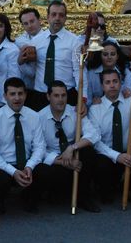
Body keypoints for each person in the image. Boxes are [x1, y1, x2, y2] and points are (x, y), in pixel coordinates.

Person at [30, 81, 100, 212]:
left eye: (63, 95)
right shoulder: (39, 118)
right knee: (41, 170)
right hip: (54, 160)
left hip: (72, 154)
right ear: (48, 97)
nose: (60, 100)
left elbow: (94, 135)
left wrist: (72, 148)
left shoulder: (75, 111)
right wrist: (62, 162)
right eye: (56, 96)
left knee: (89, 153)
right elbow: (38, 149)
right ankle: (44, 195)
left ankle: (83, 197)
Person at [0, 77, 45, 213]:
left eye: (20, 93)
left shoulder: (34, 116)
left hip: (26, 163)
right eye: (12, 94)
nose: (17, 98)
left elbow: (39, 146)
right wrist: (12, 171)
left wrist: (30, 166)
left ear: (25, 94)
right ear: (5, 96)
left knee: (44, 171)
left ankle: (29, 197)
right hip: (5, 165)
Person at [89, 70, 131, 203]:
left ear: (121, 83)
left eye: (115, 81)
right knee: (100, 165)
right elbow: (96, 142)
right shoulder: (95, 109)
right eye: (108, 82)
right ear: (102, 86)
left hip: (129, 149)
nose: (112, 85)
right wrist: (117, 156)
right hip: (107, 152)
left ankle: (129, 188)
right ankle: (106, 190)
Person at [28, 1, 84, 111]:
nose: (57, 18)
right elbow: (30, 70)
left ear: (65, 18)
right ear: (48, 17)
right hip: (41, 95)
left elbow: (78, 71)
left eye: (61, 15)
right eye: (54, 14)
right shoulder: (36, 41)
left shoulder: (74, 41)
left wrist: (82, 98)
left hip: (66, 95)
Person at [86, 40, 131, 105]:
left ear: (117, 57)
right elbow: (88, 99)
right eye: (105, 54)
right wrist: (92, 103)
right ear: (100, 56)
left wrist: (127, 94)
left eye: (112, 54)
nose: (109, 57)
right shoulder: (91, 74)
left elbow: (129, 95)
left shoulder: (126, 72)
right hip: (98, 109)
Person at [15, 8, 47, 94]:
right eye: (26, 23)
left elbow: (32, 73)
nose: (29, 25)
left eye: (32, 21)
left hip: (45, 89)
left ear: (39, 20)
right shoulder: (19, 41)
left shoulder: (49, 39)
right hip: (26, 89)